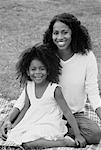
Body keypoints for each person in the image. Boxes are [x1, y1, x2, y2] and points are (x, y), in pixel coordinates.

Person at [0, 43, 86, 149]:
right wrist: (15, 126)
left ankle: (63, 143)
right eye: (33, 69)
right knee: (14, 136)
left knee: (27, 143)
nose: (38, 72)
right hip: (33, 120)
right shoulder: (29, 86)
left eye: (42, 68)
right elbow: (26, 107)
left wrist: (77, 134)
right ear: (27, 71)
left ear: (48, 70)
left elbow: (67, 112)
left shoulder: (54, 89)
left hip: (49, 123)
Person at [43, 12, 101, 145]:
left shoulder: (87, 56)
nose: (60, 37)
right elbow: (31, 85)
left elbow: (92, 92)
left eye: (64, 32)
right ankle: (59, 133)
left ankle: (59, 132)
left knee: (95, 134)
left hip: (75, 114)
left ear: (73, 33)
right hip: (49, 111)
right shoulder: (47, 54)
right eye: (55, 33)